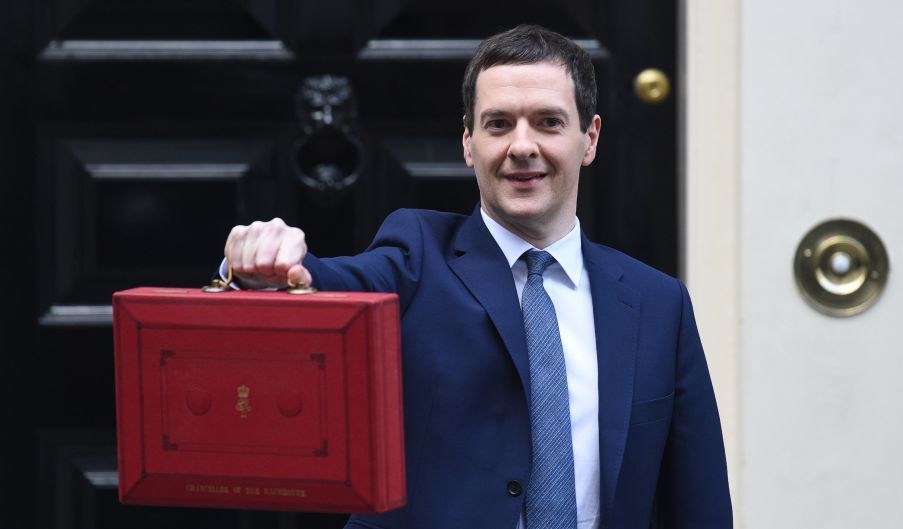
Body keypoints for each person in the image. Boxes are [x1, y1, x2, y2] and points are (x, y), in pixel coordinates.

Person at [223, 24, 731, 529]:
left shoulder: (658, 303)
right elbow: (324, 288)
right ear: (469, 143)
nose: (522, 146)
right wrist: (264, 264)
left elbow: (698, 498)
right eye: (499, 124)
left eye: (549, 122)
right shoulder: (415, 256)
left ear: (589, 138)